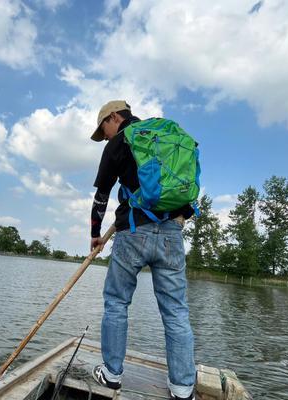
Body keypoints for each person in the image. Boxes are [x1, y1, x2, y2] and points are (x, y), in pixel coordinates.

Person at [89, 100, 196, 400]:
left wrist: (95, 235)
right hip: (172, 233)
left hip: (132, 233)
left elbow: (101, 197)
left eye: (103, 129)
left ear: (114, 118)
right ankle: (183, 388)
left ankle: (111, 375)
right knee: (176, 311)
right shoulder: (163, 135)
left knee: (116, 302)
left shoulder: (118, 143)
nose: (105, 136)